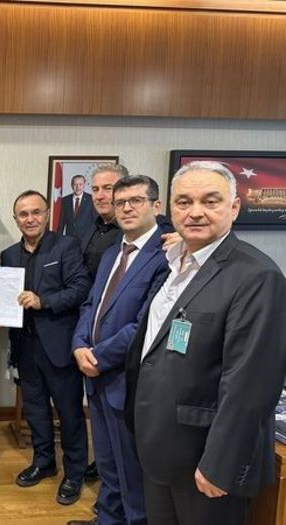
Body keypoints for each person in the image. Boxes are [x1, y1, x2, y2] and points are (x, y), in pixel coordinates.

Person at [125, 161, 286, 525]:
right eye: (184, 202)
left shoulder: (256, 276)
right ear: (170, 208)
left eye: (210, 201)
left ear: (234, 207)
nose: (195, 212)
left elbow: (251, 384)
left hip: (206, 461)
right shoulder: (174, 264)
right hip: (161, 446)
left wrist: (220, 464)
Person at [69, 175, 170, 525]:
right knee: (108, 464)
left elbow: (146, 324)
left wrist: (98, 357)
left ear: (156, 206)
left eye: (136, 201)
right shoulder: (113, 251)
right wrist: (79, 344)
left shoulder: (167, 256)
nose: (126, 208)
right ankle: (108, 519)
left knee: (131, 471)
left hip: (128, 380)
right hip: (96, 377)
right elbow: (91, 304)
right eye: (120, 202)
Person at [1, 190, 92, 505]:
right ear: (16, 219)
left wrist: (44, 301)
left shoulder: (66, 246)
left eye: (36, 212)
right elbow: (4, 296)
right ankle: (44, 461)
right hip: (24, 346)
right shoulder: (8, 255)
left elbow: (81, 288)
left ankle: (75, 472)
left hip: (59, 346)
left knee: (69, 413)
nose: (30, 219)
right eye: (23, 214)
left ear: (47, 214)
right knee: (35, 409)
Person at [58, 175, 96, 239]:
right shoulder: (65, 200)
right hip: (70, 238)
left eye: (80, 184)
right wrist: (58, 239)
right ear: (71, 185)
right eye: (75, 184)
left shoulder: (91, 199)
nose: (78, 187)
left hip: (86, 239)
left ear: (84, 185)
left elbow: (95, 221)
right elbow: (61, 222)